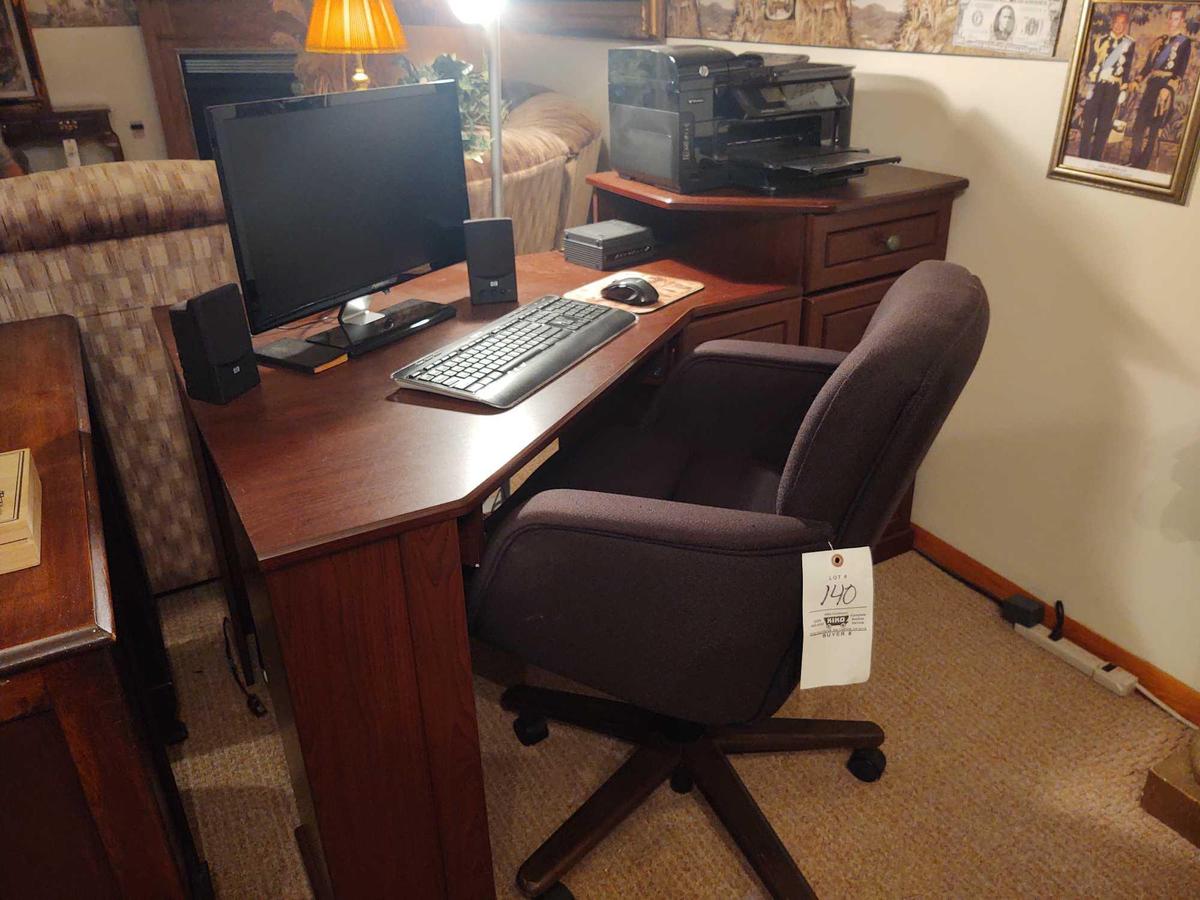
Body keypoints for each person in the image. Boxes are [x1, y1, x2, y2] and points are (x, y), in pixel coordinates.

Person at [1127, 6, 1193, 169]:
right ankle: (1133, 160)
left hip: (1165, 87)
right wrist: (1138, 79)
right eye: (1171, 18)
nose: (1172, 22)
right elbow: (1149, 66)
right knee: (1139, 125)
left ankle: (1143, 163)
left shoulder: (1184, 43)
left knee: (1154, 128)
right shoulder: (1160, 40)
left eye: (1176, 19)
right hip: (1152, 85)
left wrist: (1168, 89)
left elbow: (1180, 70)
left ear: (1182, 21)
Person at [1077, 10, 1137, 161]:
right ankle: (1083, 156)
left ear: (1126, 25)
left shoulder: (1129, 43)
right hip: (1097, 86)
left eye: (1122, 23)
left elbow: (1127, 67)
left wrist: (1124, 87)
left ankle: (1096, 157)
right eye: (1116, 22)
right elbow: (1091, 63)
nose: (1118, 26)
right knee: (1088, 121)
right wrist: (1091, 82)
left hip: (1113, 88)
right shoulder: (1100, 40)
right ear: (1112, 23)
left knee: (1104, 124)